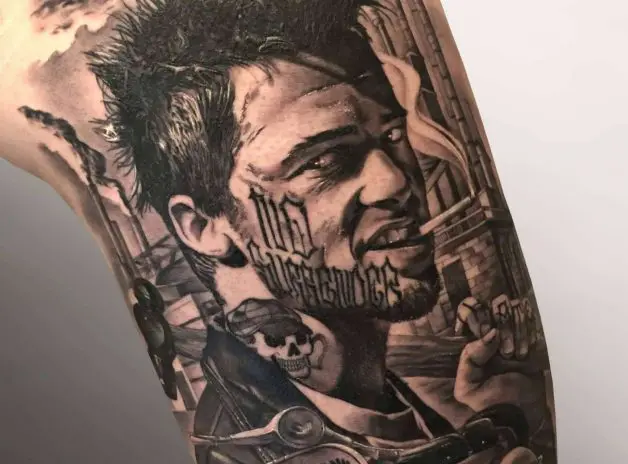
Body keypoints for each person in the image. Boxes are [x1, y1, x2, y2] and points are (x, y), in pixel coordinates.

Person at [2, 0, 555, 463]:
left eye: (393, 137)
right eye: (326, 160)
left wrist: (488, 418)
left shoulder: (384, 403)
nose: (396, 181)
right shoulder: (250, 434)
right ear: (202, 227)